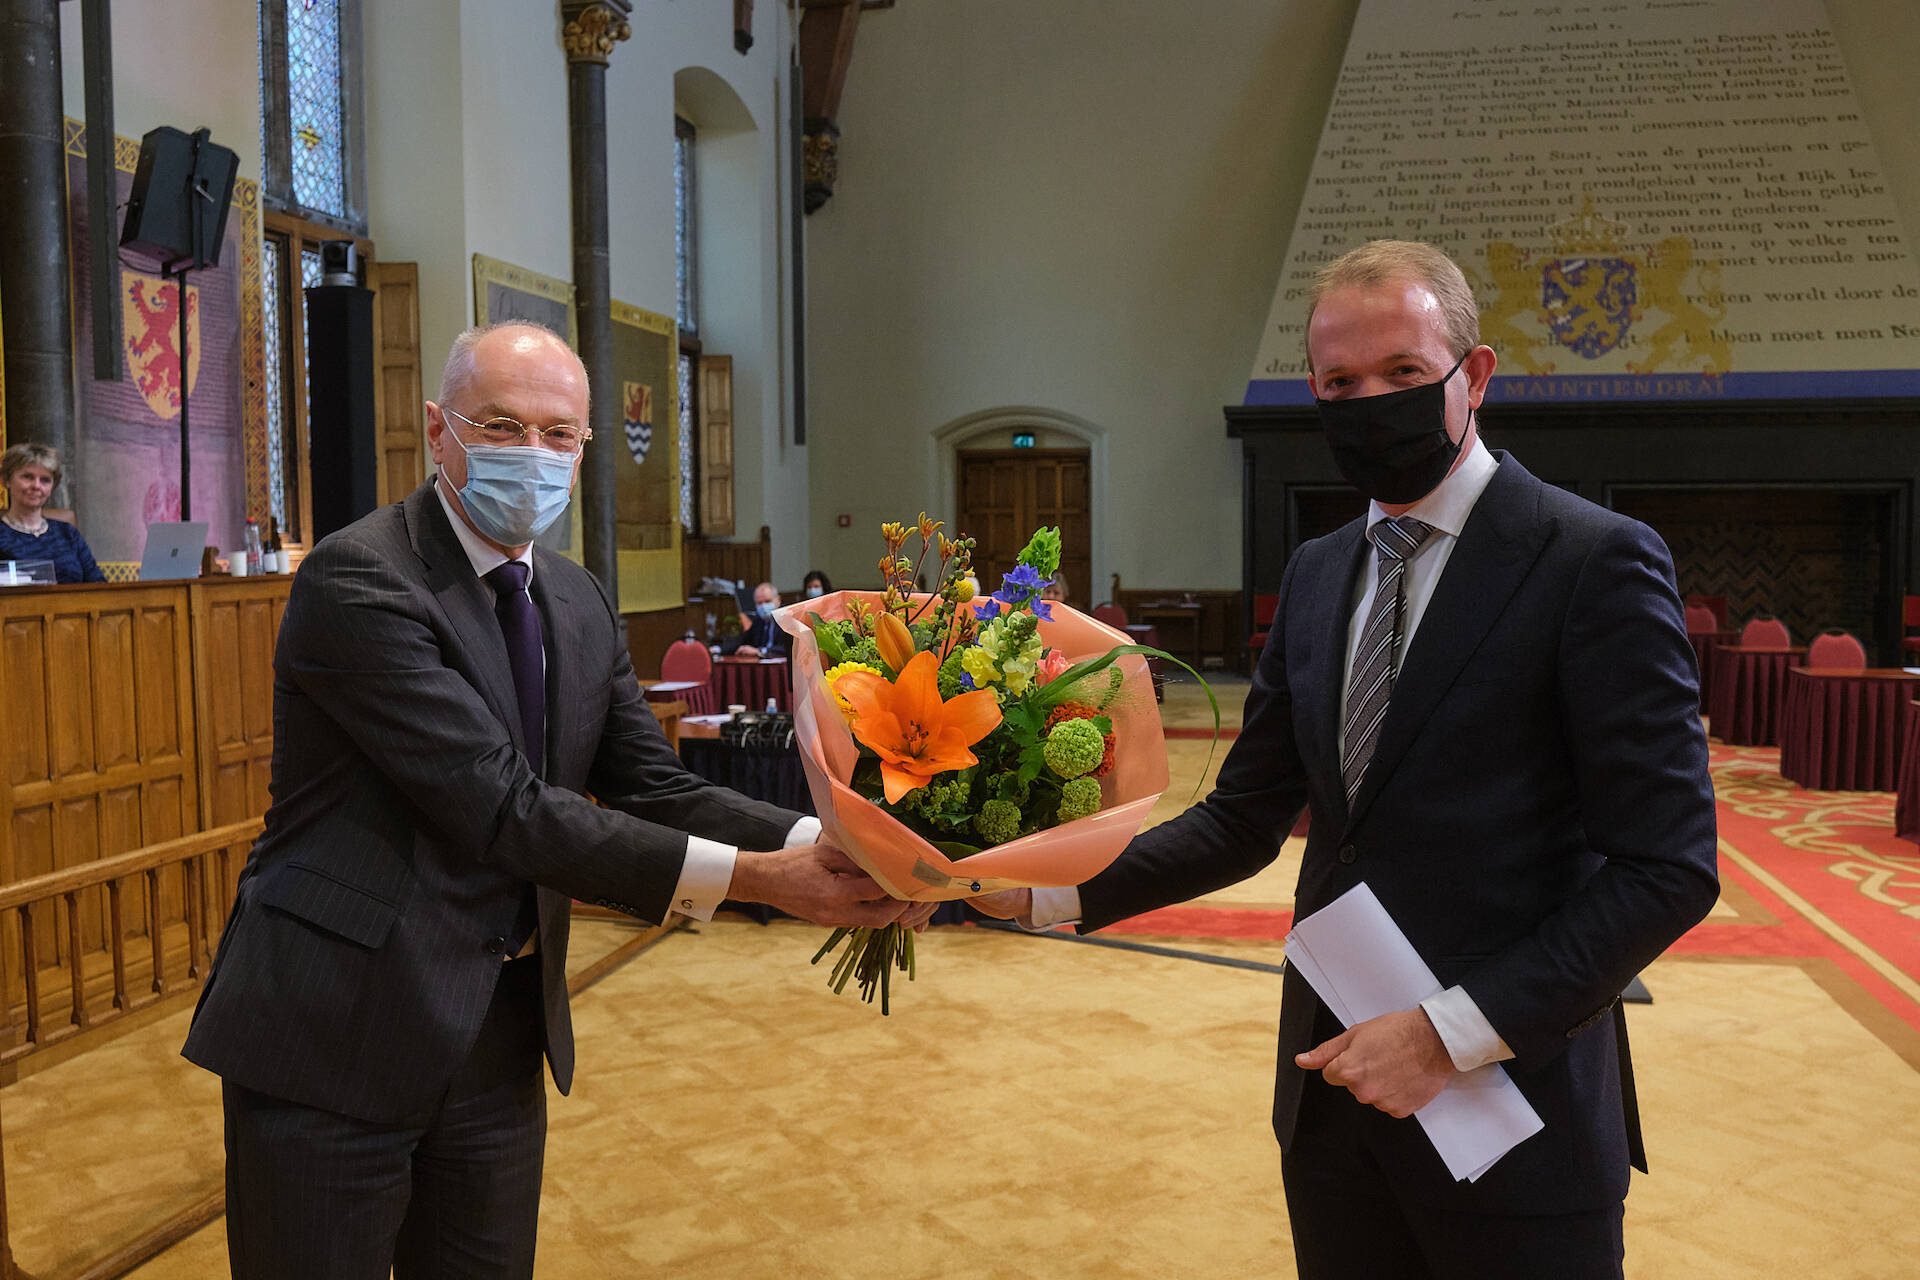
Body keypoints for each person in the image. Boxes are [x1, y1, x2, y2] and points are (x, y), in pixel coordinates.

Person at [975, 240, 1717, 1278]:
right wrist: (1043, 892)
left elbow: (1668, 866)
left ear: (1476, 374)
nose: (1370, 401)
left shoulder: (1592, 558)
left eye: (1404, 375)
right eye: (1339, 383)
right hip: (1333, 1100)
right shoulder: (1321, 572)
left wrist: (1447, 1031)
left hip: (1515, 1112)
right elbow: (1242, 818)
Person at [182, 322, 920, 1279]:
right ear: (441, 431)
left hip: (496, 1026)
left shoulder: (573, 596)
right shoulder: (361, 578)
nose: (533, 454)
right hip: (338, 1032)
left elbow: (650, 783)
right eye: (502, 424)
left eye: (559, 435)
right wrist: (761, 881)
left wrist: (844, 837)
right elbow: (503, 809)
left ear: (583, 450)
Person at [0, 443, 106, 583]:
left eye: (45, 480)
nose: (36, 486)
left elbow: (99, 586)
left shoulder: (68, 533)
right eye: (27, 477)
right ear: (6, 481)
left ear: (52, 488)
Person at [721, 579, 786, 657]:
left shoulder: (788, 619)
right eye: (759, 603)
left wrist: (760, 651)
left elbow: (787, 648)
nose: (763, 606)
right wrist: (717, 649)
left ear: (778, 600)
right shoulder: (759, 620)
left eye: (768, 601)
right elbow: (742, 640)